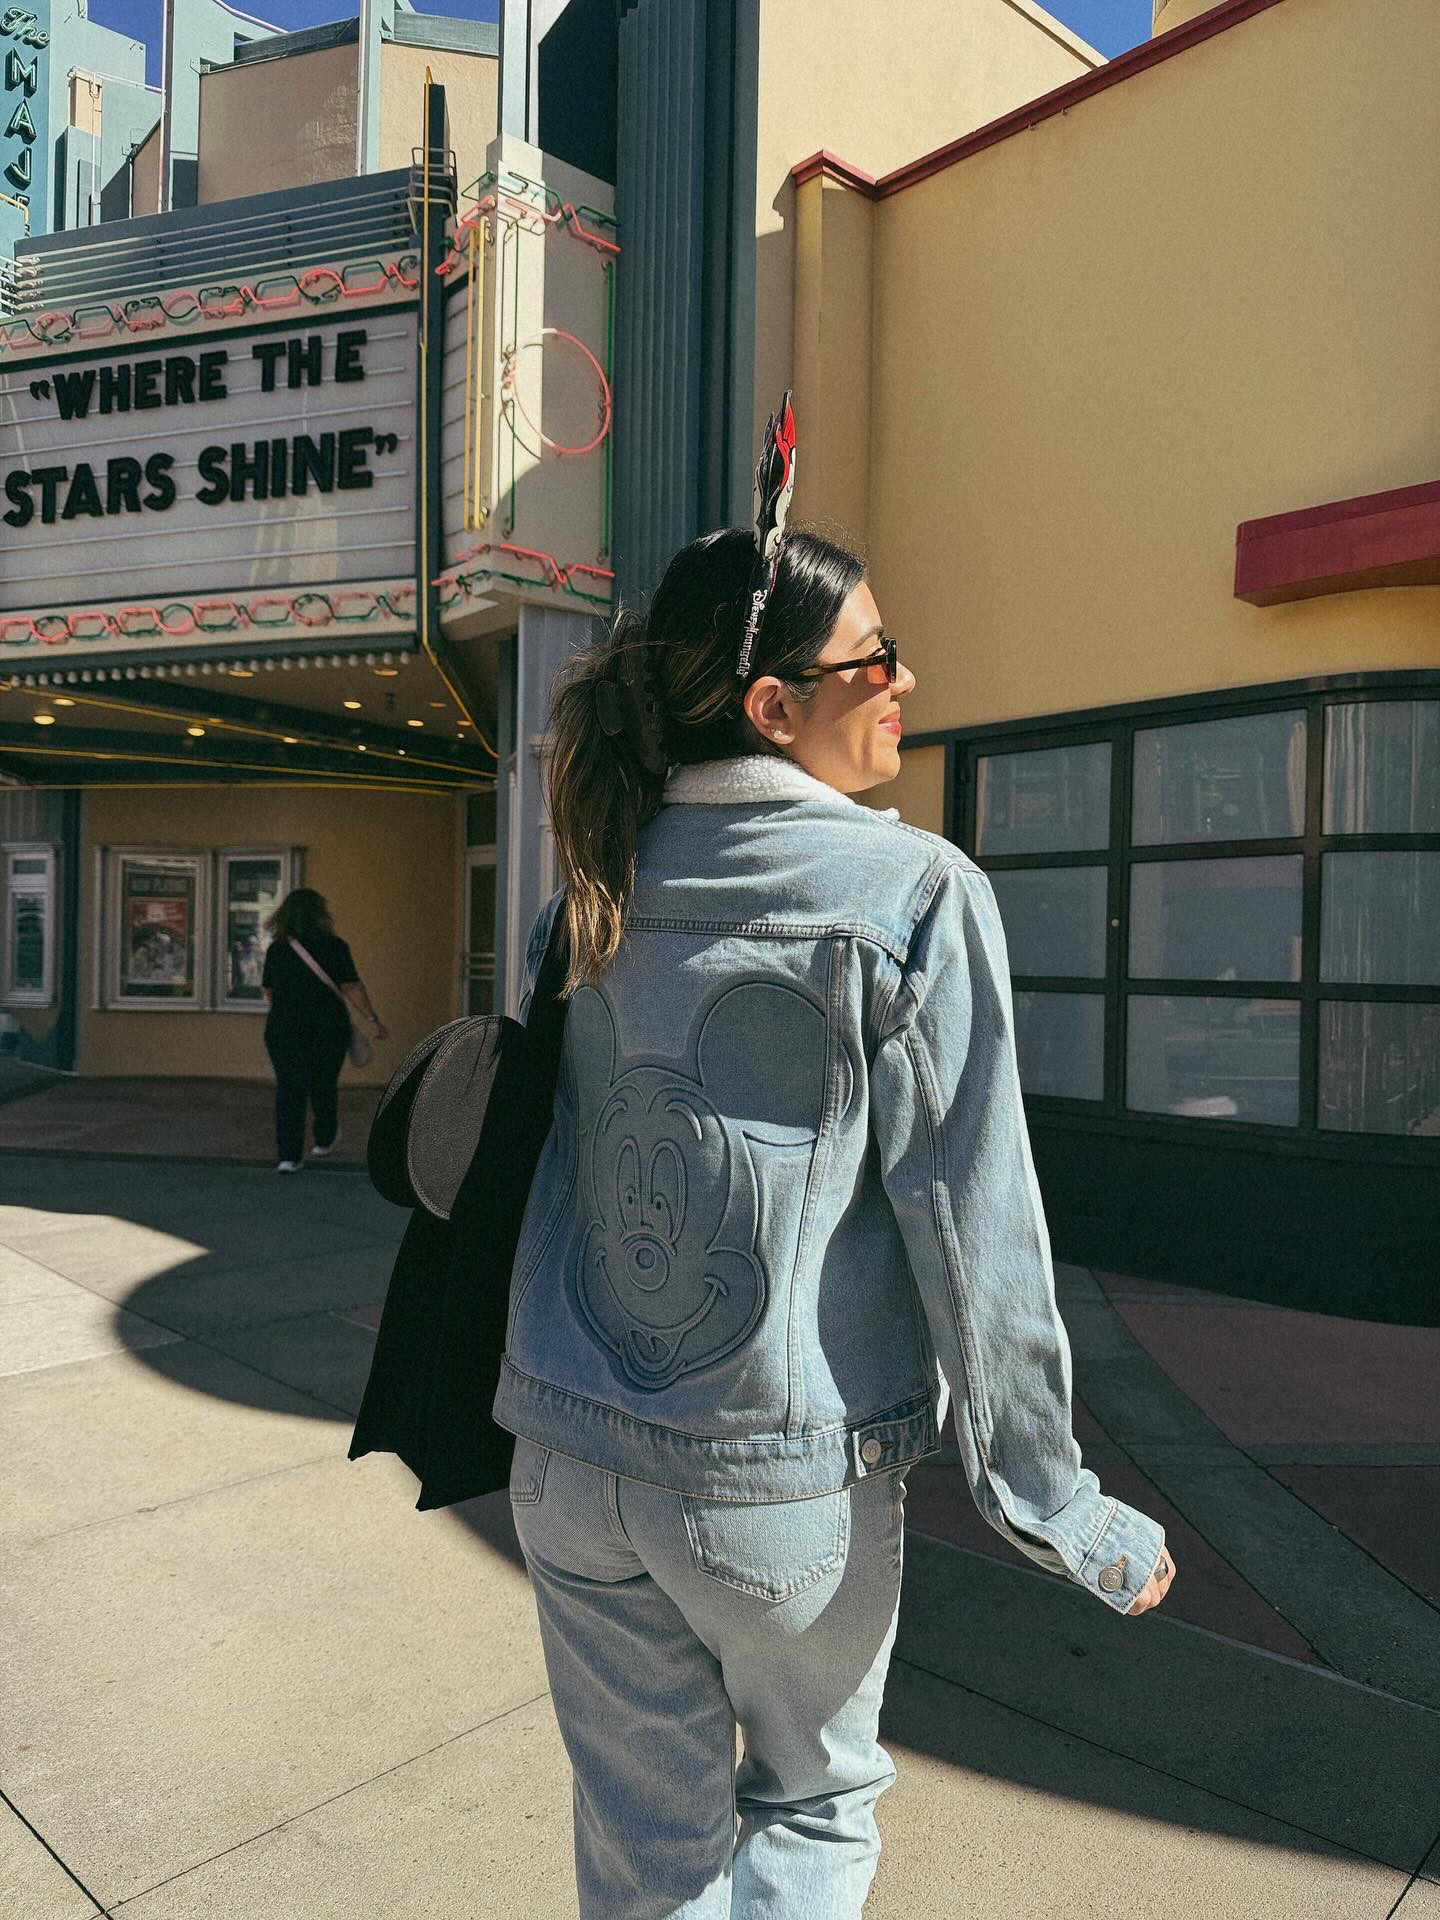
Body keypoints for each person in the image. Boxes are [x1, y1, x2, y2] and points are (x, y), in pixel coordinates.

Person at [494, 400, 1174, 1918]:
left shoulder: (587, 889)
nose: (904, 681)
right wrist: (1054, 1502)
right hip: (774, 1487)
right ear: (771, 708)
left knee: (642, 1855)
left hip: (567, 1458)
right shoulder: (911, 891)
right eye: (872, 660)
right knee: (811, 1812)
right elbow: (976, 1224)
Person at [261, 888, 386, 1173]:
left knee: (289, 1089)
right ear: (321, 915)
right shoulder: (336, 946)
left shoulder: (277, 949)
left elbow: (268, 990)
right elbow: (351, 987)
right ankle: (324, 1140)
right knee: (323, 1084)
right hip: (328, 1027)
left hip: (284, 1028)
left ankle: (289, 1157)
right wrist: (372, 1019)